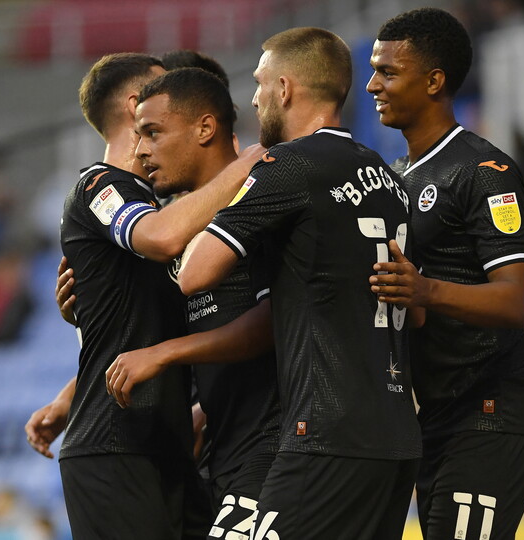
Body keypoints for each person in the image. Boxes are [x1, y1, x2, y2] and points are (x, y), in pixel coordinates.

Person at [176, 27, 422, 540]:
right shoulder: (388, 180)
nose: (254, 96)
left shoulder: (288, 167)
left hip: (326, 433)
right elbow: (417, 311)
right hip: (397, 437)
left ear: (285, 89)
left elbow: (194, 273)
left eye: (260, 82)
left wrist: (233, 180)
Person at [23, 52, 261, 539]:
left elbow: (146, 324)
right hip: (114, 447)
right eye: (161, 87)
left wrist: (70, 389)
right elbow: (159, 238)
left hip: (165, 445)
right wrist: (245, 168)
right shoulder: (99, 186)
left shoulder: (164, 201)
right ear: (136, 105)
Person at [365, 8, 524, 539]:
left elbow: (516, 302)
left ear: (433, 81)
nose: (372, 83)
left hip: (495, 406)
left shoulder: (483, 171)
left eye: (387, 72)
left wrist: (425, 289)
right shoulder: (395, 177)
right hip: (439, 413)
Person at [103, 67, 282, 539]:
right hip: (221, 447)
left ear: (204, 128)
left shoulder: (264, 196)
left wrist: (166, 354)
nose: (140, 150)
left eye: (152, 133)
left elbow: (273, 322)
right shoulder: (182, 225)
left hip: (274, 444)